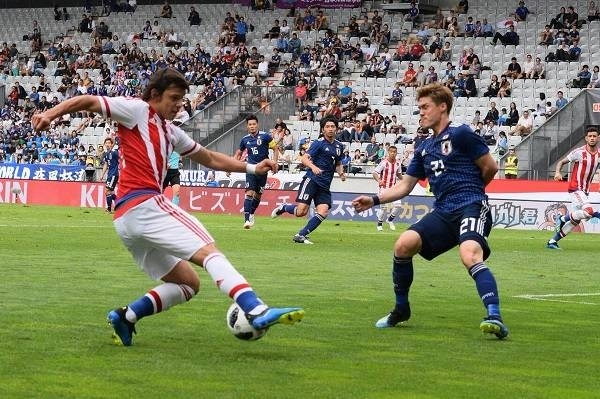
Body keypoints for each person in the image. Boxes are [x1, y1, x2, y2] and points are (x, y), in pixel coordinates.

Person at [31, 68, 304, 346]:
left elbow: (209, 157)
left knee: (188, 284)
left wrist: (252, 167)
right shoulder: (137, 110)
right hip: (145, 204)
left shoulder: (170, 131)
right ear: (155, 95)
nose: (178, 105)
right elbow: (88, 100)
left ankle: (126, 317)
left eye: (182, 100)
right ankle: (256, 308)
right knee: (209, 252)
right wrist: (50, 114)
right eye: (174, 98)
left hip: (126, 219)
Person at [351, 83, 508, 339]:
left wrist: (473, 190)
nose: (420, 113)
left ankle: (494, 315)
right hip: (444, 211)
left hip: (471, 204)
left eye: (425, 107)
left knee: (469, 255)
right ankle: (401, 309)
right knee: (403, 244)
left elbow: (490, 167)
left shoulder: (461, 134)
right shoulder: (424, 147)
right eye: (419, 108)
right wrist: (374, 199)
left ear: (442, 106)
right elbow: (405, 185)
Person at [271, 115, 346, 244]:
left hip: (324, 185)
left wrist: (341, 173)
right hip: (312, 180)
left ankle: (301, 234)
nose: (330, 129)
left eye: (333, 126)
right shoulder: (318, 143)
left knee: (323, 211)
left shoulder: (339, 146)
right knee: (301, 212)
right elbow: (304, 159)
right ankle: (284, 207)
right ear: (323, 129)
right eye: (327, 126)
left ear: (337, 129)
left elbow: (338, 163)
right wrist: (313, 167)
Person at [547, 126, 600, 250]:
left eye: (594, 136)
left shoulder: (598, 155)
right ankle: (561, 218)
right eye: (590, 136)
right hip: (575, 188)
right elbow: (561, 162)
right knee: (590, 212)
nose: (592, 138)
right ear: (586, 138)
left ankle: (552, 241)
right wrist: (557, 173)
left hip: (585, 191)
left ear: (598, 138)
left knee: (577, 220)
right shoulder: (579, 152)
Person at [234, 115, 279, 229]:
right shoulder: (245, 139)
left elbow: (275, 149)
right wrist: (232, 166)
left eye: (254, 124)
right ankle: (247, 220)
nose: (252, 126)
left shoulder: (265, 136)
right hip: (250, 169)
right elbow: (239, 153)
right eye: (250, 124)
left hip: (263, 171)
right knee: (249, 193)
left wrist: (274, 162)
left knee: (258, 195)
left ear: (257, 125)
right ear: (247, 126)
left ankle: (252, 213)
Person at [373, 145, 402, 231]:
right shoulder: (383, 162)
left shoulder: (398, 163)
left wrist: (405, 181)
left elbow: (399, 174)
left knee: (398, 205)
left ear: (396, 153)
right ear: (388, 152)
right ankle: (379, 224)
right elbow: (374, 173)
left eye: (394, 152)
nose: (393, 153)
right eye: (391, 152)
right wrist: (379, 181)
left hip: (393, 188)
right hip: (384, 188)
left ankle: (389, 220)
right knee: (383, 208)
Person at [100, 137, 119, 213]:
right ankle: (120, 204)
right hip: (109, 175)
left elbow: (121, 159)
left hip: (114, 174)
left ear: (111, 144)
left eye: (109, 143)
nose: (107, 144)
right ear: (104, 144)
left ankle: (108, 209)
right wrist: (102, 175)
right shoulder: (106, 154)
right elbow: (106, 164)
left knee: (107, 191)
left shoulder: (114, 152)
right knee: (110, 192)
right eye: (106, 143)